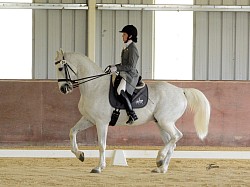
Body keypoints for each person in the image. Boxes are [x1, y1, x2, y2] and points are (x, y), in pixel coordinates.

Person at [105, 25, 139, 124]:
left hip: (130, 75)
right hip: (124, 72)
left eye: (124, 34)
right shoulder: (126, 48)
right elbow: (124, 64)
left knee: (120, 90)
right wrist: (114, 66)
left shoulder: (132, 49)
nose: (122, 36)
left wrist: (117, 68)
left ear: (130, 36)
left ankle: (132, 114)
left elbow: (131, 66)